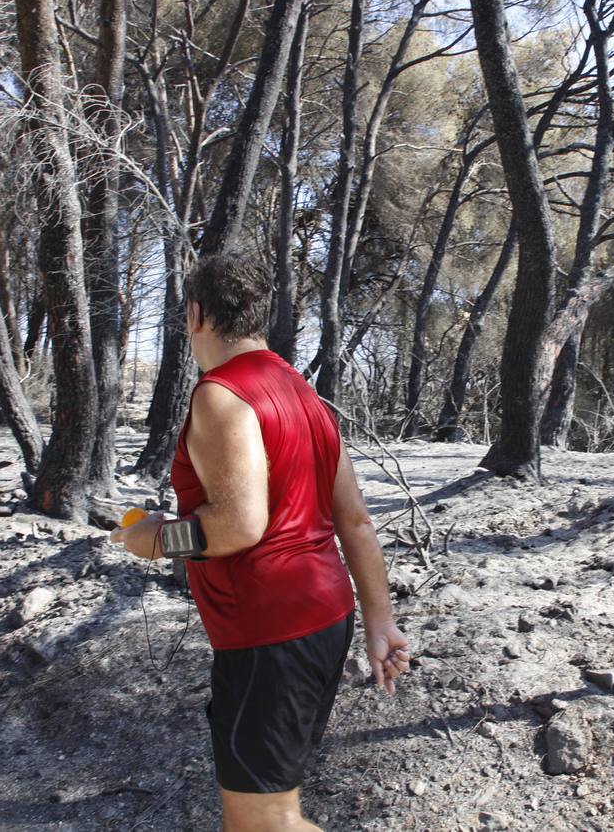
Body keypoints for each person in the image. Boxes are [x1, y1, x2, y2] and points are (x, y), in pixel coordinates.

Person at [111, 254, 409, 832]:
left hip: (269, 633)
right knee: (259, 810)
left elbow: (239, 526)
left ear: (196, 314)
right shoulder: (302, 394)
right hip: (326, 616)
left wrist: (149, 539)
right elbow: (356, 521)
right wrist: (381, 621)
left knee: (265, 822)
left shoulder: (221, 395)